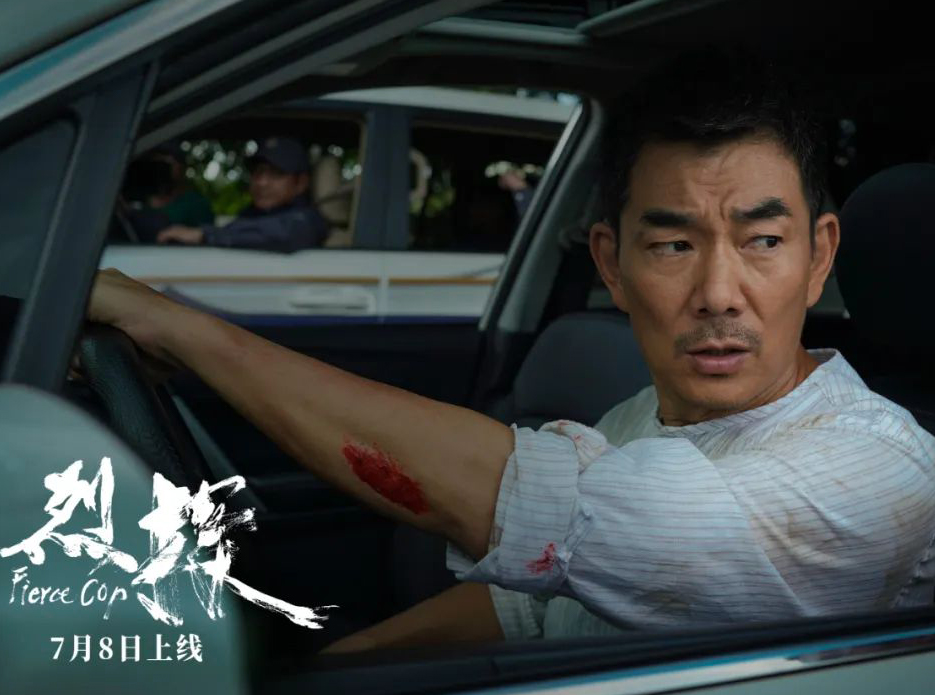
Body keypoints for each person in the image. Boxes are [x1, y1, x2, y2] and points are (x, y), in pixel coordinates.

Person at [83, 51, 935, 652]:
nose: (718, 291)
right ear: (610, 263)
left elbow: (547, 510)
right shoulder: (636, 419)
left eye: (762, 242)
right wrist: (333, 668)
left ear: (818, 258)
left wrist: (187, 330)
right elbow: (530, 609)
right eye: (673, 244)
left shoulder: (880, 473)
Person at [156, 137, 329, 252]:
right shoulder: (251, 214)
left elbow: (281, 234)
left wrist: (204, 235)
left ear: (300, 183)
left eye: (276, 174)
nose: (261, 182)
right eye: (257, 172)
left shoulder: (307, 221)